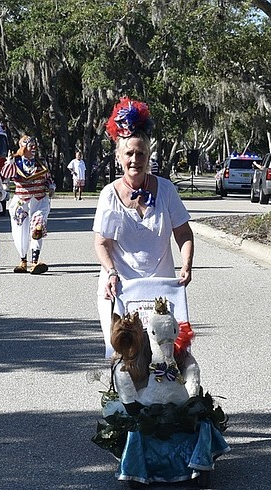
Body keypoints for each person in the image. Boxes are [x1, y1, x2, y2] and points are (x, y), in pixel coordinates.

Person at [93, 97, 194, 351]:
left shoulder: (166, 190)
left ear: (149, 156)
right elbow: (102, 243)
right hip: (121, 288)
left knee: (165, 356)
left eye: (141, 154)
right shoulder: (109, 195)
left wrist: (187, 264)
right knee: (124, 357)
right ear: (119, 157)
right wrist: (111, 272)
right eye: (129, 154)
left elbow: (183, 232)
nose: (135, 159)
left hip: (160, 290)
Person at [1, 135, 56, 274]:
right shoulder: (16, 162)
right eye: (30, 145)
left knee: (38, 227)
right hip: (22, 201)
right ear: (23, 147)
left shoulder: (41, 162)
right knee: (20, 231)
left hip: (39, 200)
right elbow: (6, 174)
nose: (34, 148)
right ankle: (23, 260)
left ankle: (35, 261)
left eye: (34, 145)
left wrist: (51, 187)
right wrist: (10, 161)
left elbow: (48, 178)